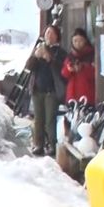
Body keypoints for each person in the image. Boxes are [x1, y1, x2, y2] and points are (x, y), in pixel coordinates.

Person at [26, 25, 68, 156]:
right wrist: (35, 56)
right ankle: (38, 144)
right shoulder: (39, 48)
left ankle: (52, 144)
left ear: (57, 36)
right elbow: (28, 67)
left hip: (52, 90)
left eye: (51, 33)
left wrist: (49, 58)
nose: (48, 36)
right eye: (47, 33)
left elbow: (61, 71)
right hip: (37, 89)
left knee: (50, 119)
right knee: (38, 119)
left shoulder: (60, 52)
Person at [62, 28, 96, 106]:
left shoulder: (91, 54)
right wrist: (69, 69)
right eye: (75, 41)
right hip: (72, 94)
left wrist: (82, 68)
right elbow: (64, 74)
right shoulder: (70, 56)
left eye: (80, 40)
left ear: (85, 41)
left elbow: (95, 73)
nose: (78, 43)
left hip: (87, 93)